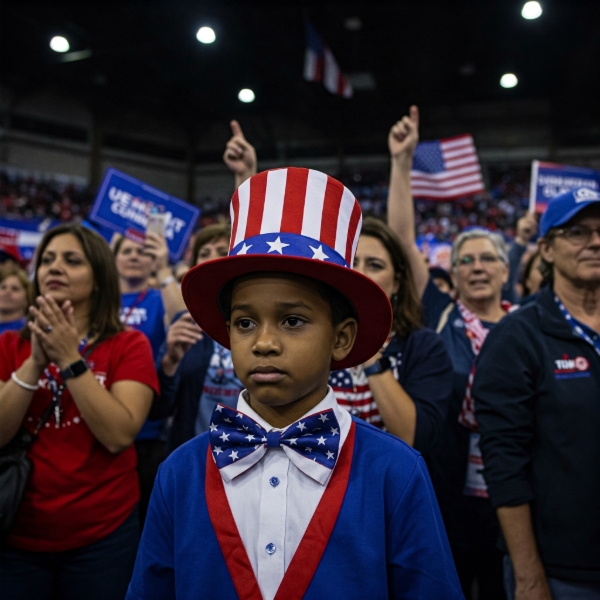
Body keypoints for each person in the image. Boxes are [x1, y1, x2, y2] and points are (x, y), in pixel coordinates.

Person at [126, 167, 463, 600]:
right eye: (245, 322)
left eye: (292, 320)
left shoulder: (395, 472)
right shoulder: (177, 473)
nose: (264, 342)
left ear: (341, 338)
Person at [387, 105, 508, 599]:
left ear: (506, 269)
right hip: (449, 491)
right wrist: (401, 162)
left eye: (487, 259)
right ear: (450, 272)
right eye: (466, 260)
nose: (477, 267)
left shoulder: (530, 324)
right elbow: (400, 243)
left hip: (513, 492)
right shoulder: (439, 313)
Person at [0, 224, 158, 600]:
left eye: (72, 260)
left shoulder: (129, 344)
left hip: (102, 537)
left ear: (100, 278)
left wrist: (69, 357)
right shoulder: (8, 345)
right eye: (48, 260)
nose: (55, 268)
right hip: (15, 535)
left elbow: (119, 434)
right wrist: (34, 365)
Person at [474, 187, 600, 600]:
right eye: (577, 232)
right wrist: (528, 577)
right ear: (545, 249)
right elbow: (504, 462)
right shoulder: (516, 336)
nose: (595, 241)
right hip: (562, 570)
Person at [330, 216, 453, 454]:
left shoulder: (424, 346)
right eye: (352, 262)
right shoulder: (316, 341)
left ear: (397, 282)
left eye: (374, 265)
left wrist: (368, 347)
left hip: (394, 486)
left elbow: (413, 437)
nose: (360, 273)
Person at [113, 231, 186, 524]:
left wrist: (163, 268)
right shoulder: (96, 299)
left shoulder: (160, 298)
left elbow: (183, 318)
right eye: (126, 251)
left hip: (150, 430)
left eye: (141, 252)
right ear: (113, 258)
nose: (133, 256)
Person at [156, 223, 242, 453]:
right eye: (203, 253)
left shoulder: (260, 323)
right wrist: (169, 363)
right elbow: (159, 410)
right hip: (193, 458)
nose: (211, 258)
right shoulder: (184, 325)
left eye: (222, 252)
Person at [0, 267, 31, 334]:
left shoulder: (29, 330)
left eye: (15, 289)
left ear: (27, 298)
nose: (7, 292)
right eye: (3, 287)